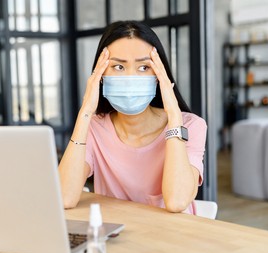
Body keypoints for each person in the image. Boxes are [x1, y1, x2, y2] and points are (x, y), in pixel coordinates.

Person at [58, 20, 207, 214]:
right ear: (101, 74)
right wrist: (86, 110)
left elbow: (177, 201)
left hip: (174, 239)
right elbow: (63, 197)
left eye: (144, 67)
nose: (130, 77)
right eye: (118, 67)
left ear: (159, 74)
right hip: (116, 238)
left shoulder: (191, 125)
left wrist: (173, 115)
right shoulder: (94, 128)